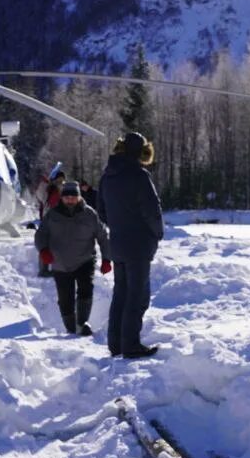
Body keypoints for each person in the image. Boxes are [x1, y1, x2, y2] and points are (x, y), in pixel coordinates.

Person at [97, 132, 163, 358]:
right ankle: (131, 345)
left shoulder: (107, 176)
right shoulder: (139, 175)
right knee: (137, 296)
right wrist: (157, 234)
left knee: (121, 294)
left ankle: (116, 344)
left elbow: (101, 210)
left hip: (117, 244)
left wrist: (119, 226)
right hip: (139, 245)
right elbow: (152, 211)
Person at [36, 181, 111, 335]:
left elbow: (103, 237)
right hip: (60, 264)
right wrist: (43, 250)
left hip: (85, 260)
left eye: (73, 196)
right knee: (65, 299)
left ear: (79, 197)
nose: (70, 199)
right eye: (67, 196)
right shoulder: (52, 214)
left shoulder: (89, 214)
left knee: (86, 290)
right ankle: (71, 329)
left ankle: (82, 324)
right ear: (62, 198)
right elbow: (41, 234)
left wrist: (106, 259)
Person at [38, 171, 66, 277]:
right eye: (59, 179)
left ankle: (58, 268)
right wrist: (44, 184)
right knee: (46, 244)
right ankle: (43, 269)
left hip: (61, 220)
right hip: (49, 219)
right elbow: (40, 196)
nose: (61, 181)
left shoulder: (63, 188)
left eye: (62, 179)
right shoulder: (49, 188)